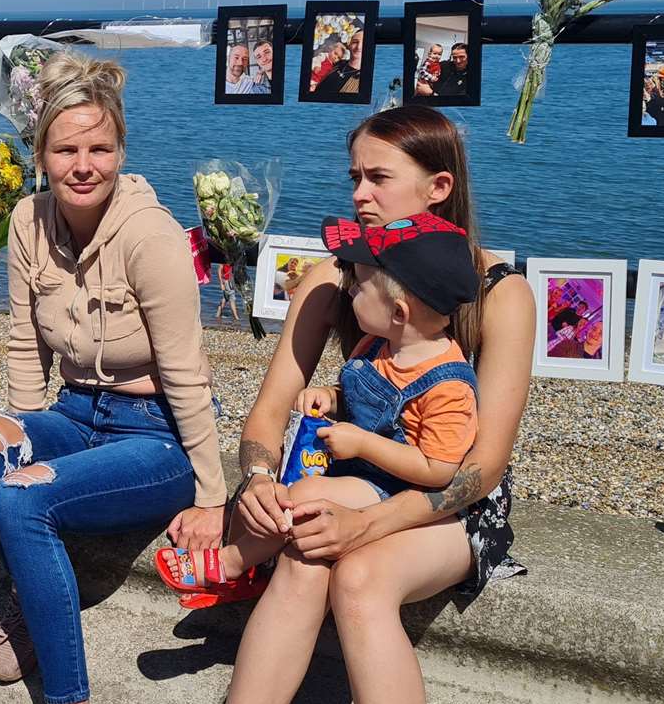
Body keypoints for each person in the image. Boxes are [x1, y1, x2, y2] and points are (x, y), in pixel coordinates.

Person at [175, 105, 533, 704]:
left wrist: (366, 523)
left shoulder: (501, 292)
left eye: (378, 178)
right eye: (355, 177)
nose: (359, 194)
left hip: (447, 504)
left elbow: (479, 466)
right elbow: (266, 417)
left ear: (437, 188)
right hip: (350, 478)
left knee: (360, 576)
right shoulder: (335, 278)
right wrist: (262, 481)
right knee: (308, 546)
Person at [0, 52, 228, 704]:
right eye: (66, 149)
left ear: (121, 152)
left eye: (98, 148)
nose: (83, 165)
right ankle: (38, 601)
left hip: (153, 435)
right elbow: (23, 342)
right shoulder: (27, 220)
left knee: (23, 498)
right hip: (73, 412)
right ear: (40, 154)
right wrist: (26, 426)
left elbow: (187, 372)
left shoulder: (152, 237)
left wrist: (212, 495)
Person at [157, 212, 481, 602]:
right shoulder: (378, 347)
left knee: (303, 497)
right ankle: (255, 566)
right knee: (270, 493)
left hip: (395, 490)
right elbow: (364, 398)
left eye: (359, 286)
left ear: (399, 313)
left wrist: (362, 444)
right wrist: (332, 396)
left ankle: (231, 565)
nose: (348, 292)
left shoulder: (449, 386)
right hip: (360, 470)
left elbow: (439, 468)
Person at [316, 29, 367, 96]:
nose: (359, 47)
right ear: (349, 45)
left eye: (364, 43)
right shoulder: (338, 63)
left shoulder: (364, 80)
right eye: (355, 42)